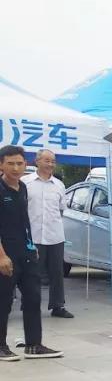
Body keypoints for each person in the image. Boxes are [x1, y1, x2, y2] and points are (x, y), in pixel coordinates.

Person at [0, 145, 62, 361]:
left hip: (25, 252)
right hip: (4, 253)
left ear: (26, 164)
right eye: (10, 163)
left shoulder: (23, 188)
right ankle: (1, 346)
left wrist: (31, 245)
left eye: (19, 163)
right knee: (4, 300)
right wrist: (1, 256)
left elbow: (25, 220)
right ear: (1, 165)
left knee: (33, 297)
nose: (16, 168)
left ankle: (34, 344)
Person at [24, 150, 73, 319]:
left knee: (56, 273)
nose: (50, 164)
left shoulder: (59, 185)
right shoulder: (26, 182)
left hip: (55, 236)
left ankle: (58, 306)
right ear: (37, 161)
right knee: (32, 273)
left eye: (53, 161)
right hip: (33, 236)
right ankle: (30, 305)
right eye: (46, 160)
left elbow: (61, 209)